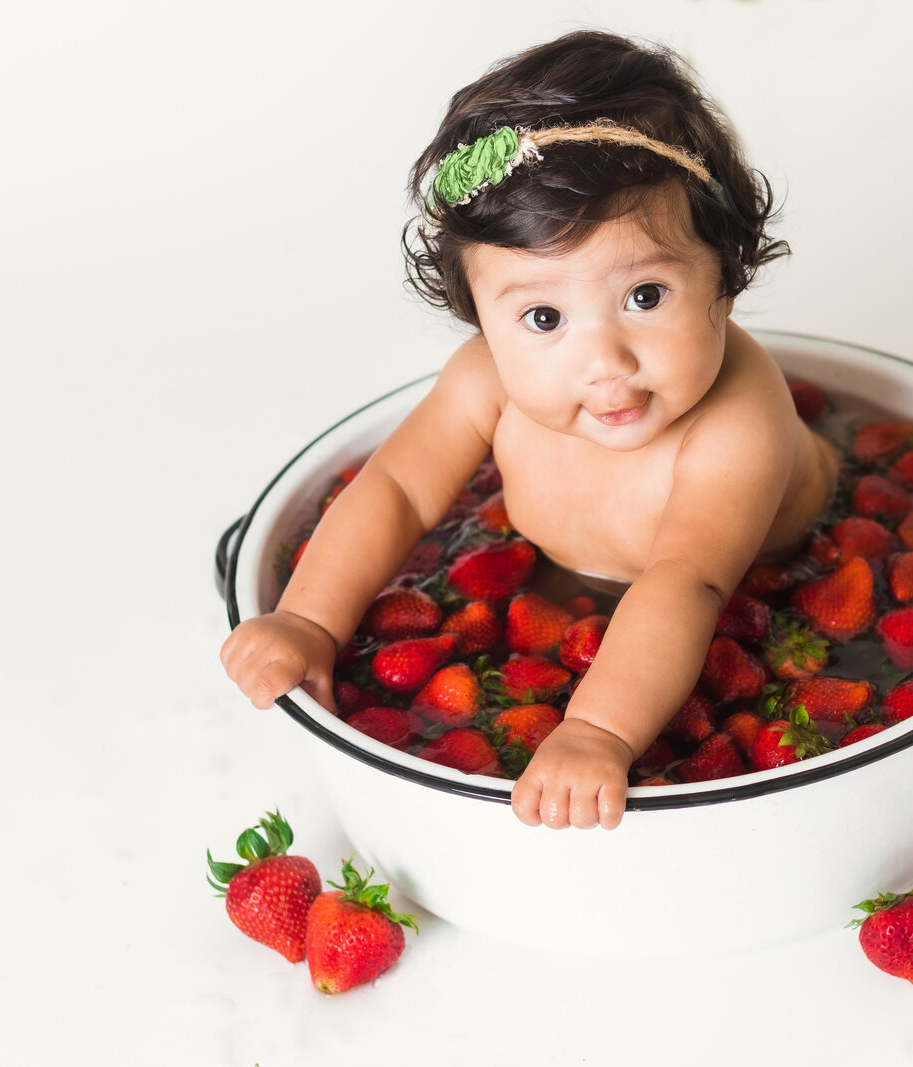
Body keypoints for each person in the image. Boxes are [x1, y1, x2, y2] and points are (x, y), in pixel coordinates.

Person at [220, 30, 839, 830]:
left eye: (645, 297)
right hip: (587, 590)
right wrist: (307, 619)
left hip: (780, 570)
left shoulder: (737, 419)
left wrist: (596, 729)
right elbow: (399, 489)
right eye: (543, 317)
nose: (604, 362)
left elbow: (687, 582)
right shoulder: (486, 380)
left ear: (725, 274)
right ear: (479, 317)